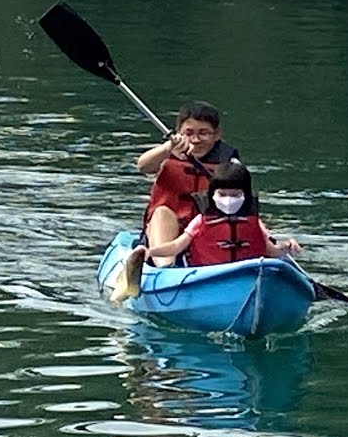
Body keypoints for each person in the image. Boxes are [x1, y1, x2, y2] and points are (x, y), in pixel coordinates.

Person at [111, 161, 301, 302]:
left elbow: (271, 251)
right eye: (223, 194)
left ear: (245, 196)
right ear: (213, 195)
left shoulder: (254, 223)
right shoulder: (201, 221)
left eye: (235, 195)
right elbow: (177, 246)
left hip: (248, 276)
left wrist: (287, 247)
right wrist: (151, 252)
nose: (229, 200)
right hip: (207, 276)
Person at [134, 101, 242, 266]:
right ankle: (165, 268)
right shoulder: (168, 153)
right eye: (189, 133)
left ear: (217, 134)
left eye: (204, 133)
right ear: (179, 133)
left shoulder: (229, 162)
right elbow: (143, 166)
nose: (196, 140)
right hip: (169, 231)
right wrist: (167, 148)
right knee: (162, 212)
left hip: (208, 231)